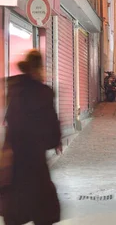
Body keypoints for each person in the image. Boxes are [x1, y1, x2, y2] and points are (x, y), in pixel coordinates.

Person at [1, 50, 61, 225]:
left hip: (14, 166)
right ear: (39, 68)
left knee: (15, 214)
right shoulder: (43, 93)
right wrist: (54, 141)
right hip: (35, 166)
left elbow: (9, 124)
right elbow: (52, 135)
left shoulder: (13, 89)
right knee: (43, 213)